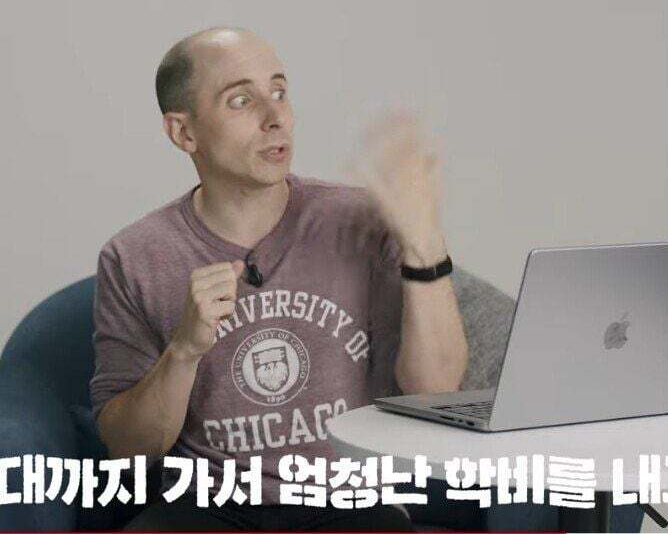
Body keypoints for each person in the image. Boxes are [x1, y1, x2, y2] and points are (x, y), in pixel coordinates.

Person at [89, 26, 468, 531]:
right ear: (184, 133)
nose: (276, 118)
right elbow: (129, 449)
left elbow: (435, 392)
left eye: (280, 92)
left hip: (348, 504)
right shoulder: (134, 256)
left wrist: (424, 245)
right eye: (241, 100)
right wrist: (183, 351)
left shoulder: (358, 222)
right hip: (208, 508)